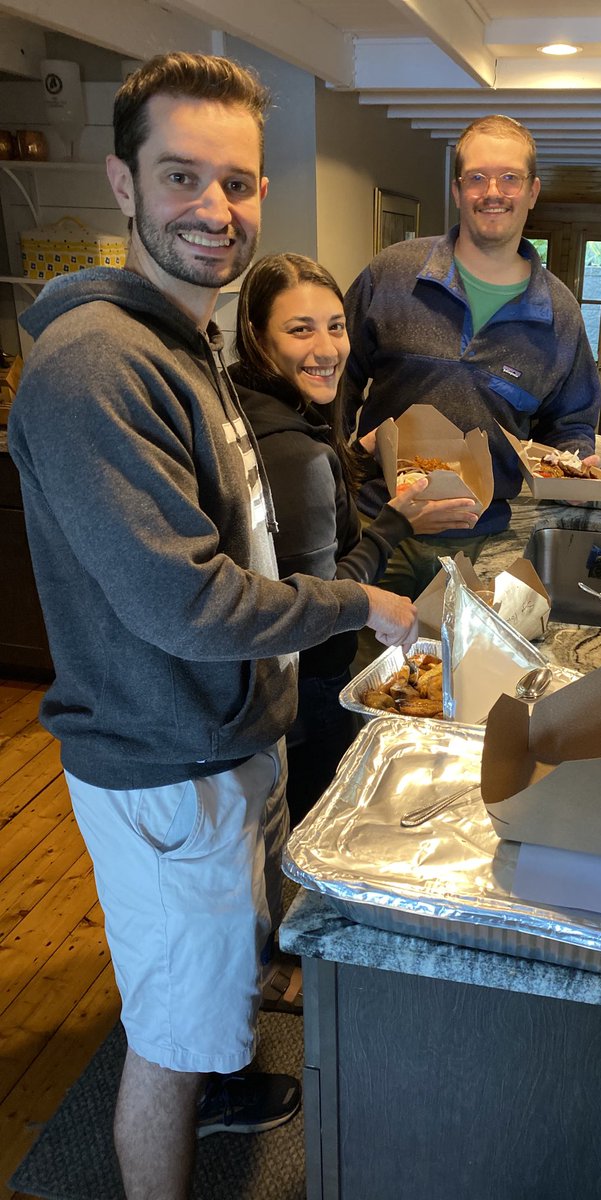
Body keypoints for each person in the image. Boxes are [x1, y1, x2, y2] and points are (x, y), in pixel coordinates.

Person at [7, 53, 416, 1200]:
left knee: (219, 976)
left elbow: (250, 540)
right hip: (161, 758)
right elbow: (184, 601)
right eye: (181, 175)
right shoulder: (95, 368)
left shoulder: (187, 340)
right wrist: (367, 602)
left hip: (228, 736)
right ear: (124, 183)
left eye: (236, 183)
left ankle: (224, 1081)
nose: (214, 208)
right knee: (168, 1036)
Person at [227, 253, 478, 823]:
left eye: (335, 326)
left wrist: (350, 459)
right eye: (299, 329)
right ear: (257, 336)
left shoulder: (249, 408)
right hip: (307, 692)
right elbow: (322, 604)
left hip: (256, 688)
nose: (327, 348)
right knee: (312, 826)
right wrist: (396, 522)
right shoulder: (297, 455)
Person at [342, 113, 601, 609]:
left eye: (510, 178)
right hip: (377, 529)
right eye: (477, 178)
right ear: (458, 189)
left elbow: (569, 422)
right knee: (369, 678)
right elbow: (336, 381)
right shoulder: (392, 275)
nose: (493, 192)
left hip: (484, 543)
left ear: (532, 191)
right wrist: (340, 466)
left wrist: (573, 467)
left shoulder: (560, 313)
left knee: (470, 678)